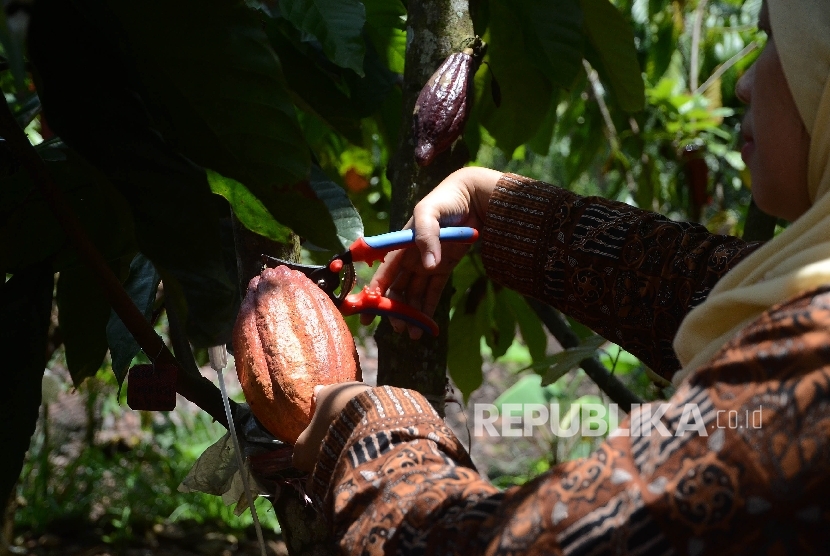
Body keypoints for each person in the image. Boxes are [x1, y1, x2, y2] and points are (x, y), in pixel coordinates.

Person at [293, 0, 830, 552]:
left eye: (772, 40)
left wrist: (369, 431)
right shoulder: (800, 286)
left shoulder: (811, 367)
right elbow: (686, 284)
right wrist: (492, 203)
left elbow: (538, 542)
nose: (743, 85)